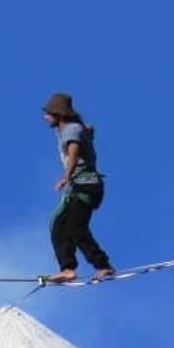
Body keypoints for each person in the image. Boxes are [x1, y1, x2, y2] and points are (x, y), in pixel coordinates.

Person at [41, 92, 115, 284]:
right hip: (79, 187)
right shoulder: (69, 129)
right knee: (59, 225)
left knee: (76, 227)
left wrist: (66, 176)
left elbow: (73, 152)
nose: (45, 117)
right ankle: (67, 269)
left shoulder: (71, 130)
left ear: (58, 114)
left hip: (88, 186)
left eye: (48, 113)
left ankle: (103, 265)